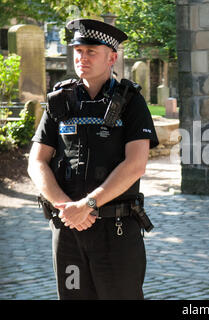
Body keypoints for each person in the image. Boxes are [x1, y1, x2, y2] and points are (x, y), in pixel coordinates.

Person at [27, 18, 159, 299]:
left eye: (91, 51)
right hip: (68, 231)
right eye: (78, 51)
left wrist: (87, 204)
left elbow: (136, 164)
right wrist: (67, 208)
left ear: (112, 57)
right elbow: (36, 162)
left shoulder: (131, 102)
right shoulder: (59, 101)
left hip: (115, 230)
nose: (82, 57)